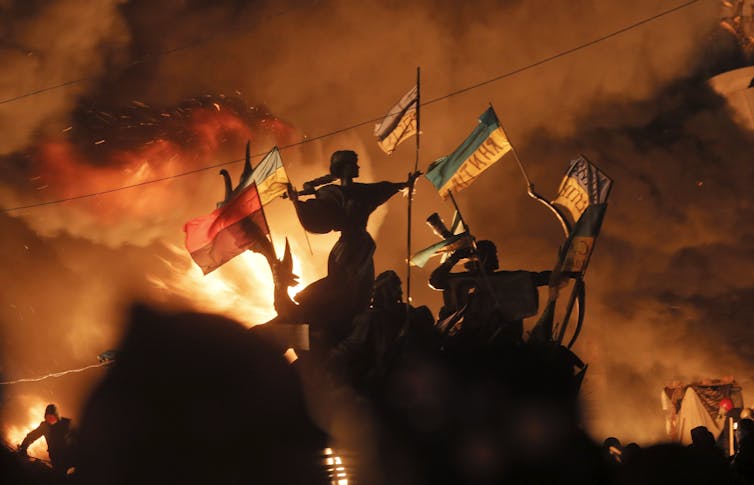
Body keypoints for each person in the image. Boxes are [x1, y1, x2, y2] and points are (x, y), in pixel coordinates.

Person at [285, 150, 420, 350]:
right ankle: (316, 304)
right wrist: (297, 200)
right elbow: (315, 213)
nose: (357, 167)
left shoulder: (364, 191)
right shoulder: (331, 193)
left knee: (363, 288)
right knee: (341, 282)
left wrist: (405, 184)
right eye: (353, 164)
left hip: (361, 245)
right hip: (347, 246)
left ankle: (352, 319)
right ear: (343, 167)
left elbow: (383, 188)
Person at [328, 270, 436, 391]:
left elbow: (352, 346)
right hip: (406, 379)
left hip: (384, 378)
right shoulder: (407, 311)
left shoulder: (371, 317)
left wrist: (330, 356)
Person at [429, 239, 551, 347]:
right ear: (478, 258)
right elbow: (436, 280)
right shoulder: (462, 280)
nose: (496, 257)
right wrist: (454, 258)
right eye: (492, 253)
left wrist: (559, 274)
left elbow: (537, 278)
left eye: (495, 253)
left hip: (501, 339)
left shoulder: (506, 278)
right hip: (468, 338)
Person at [18, 404, 75, 475]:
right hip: (56, 459)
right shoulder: (45, 427)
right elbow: (32, 436)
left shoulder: (67, 424)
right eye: (48, 417)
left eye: (52, 417)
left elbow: (79, 440)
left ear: (57, 416)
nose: (50, 419)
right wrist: (23, 447)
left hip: (70, 457)